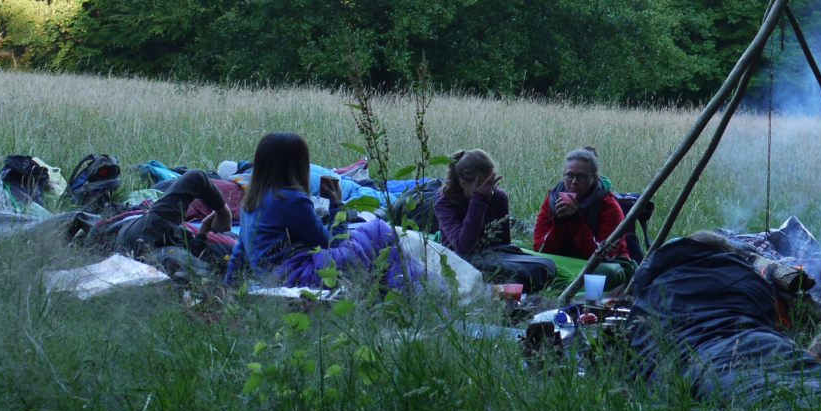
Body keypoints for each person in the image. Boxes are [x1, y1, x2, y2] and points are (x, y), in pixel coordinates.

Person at [234, 132, 415, 290]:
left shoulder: (250, 203)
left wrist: (229, 288)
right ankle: (406, 293)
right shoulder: (292, 200)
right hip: (300, 275)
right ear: (299, 166)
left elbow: (239, 254)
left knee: (369, 236)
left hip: (270, 278)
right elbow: (331, 242)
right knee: (379, 231)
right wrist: (336, 204)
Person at [434, 149, 558, 292]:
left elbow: (504, 244)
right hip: (460, 260)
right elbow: (463, 246)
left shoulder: (498, 197)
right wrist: (478, 201)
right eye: (484, 185)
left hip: (495, 256)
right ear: (462, 182)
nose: (490, 190)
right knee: (517, 276)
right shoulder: (445, 204)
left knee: (547, 265)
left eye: (491, 183)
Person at [532, 146, 633, 289]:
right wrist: (560, 221)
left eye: (581, 177)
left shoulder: (608, 206)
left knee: (603, 273)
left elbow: (606, 256)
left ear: (594, 178)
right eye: (569, 175)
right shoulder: (553, 201)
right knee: (524, 257)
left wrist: (575, 220)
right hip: (563, 261)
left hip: (600, 266)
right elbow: (539, 248)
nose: (574, 182)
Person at [104, 169, 232, 256]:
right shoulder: (160, 229)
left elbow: (196, 178)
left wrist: (222, 214)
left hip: (138, 242)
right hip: (144, 245)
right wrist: (219, 218)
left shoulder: (157, 225)